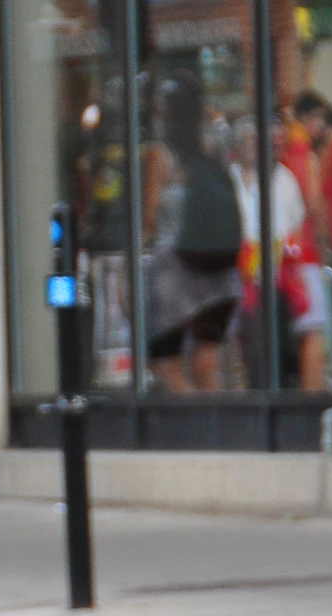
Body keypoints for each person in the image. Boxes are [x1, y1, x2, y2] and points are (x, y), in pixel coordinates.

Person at [141, 70, 241, 393]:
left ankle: (197, 428)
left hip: (175, 269)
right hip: (217, 268)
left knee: (166, 364)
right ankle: (222, 430)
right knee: (207, 362)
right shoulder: (211, 145)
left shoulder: (161, 154)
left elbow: (150, 217)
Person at [229, 119, 325, 391]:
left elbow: (295, 224)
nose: (253, 147)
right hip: (240, 265)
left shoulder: (283, 178)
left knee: (307, 326)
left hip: (282, 265)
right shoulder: (231, 177)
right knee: (239, 335)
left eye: (257, 141)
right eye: (247, 141)